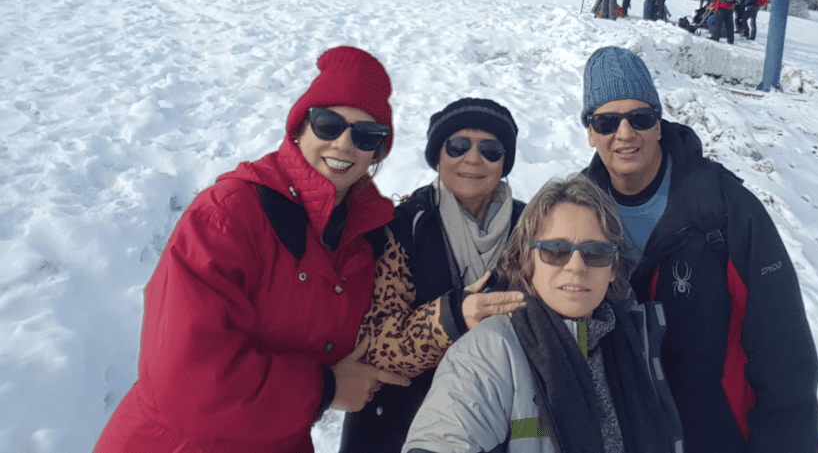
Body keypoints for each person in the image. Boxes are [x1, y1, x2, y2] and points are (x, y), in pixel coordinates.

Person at [94, 46, 416, 453]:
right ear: (300, 127)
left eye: (366, 134)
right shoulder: (230, 214)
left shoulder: (364, 236)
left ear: (377, 152)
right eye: (328, 123)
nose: (344, 144)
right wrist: (327, 389)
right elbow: (184, 377)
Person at [578, 47, 818, 453]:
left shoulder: (726, 209)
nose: (624, 134)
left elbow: (785, 356)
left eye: (640, 118)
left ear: (658, 124)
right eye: (606, 121)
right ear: (590, 131)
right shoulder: (575, 216)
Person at [402, 174, 684, 453]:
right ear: (526, 260)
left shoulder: (636, 343)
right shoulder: (491, 351)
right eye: (556, 250)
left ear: (613, 268)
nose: (576, 266)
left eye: (595, 252)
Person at [340, 98, 528, 453]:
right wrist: (455, 316)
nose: (473, 159)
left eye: (490, 150)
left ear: (504, 163)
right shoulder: (399, 228)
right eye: (457, 146)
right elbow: (374, 344)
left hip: (502, 423)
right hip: (402, 425)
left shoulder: (532, 228)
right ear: (436, 156)